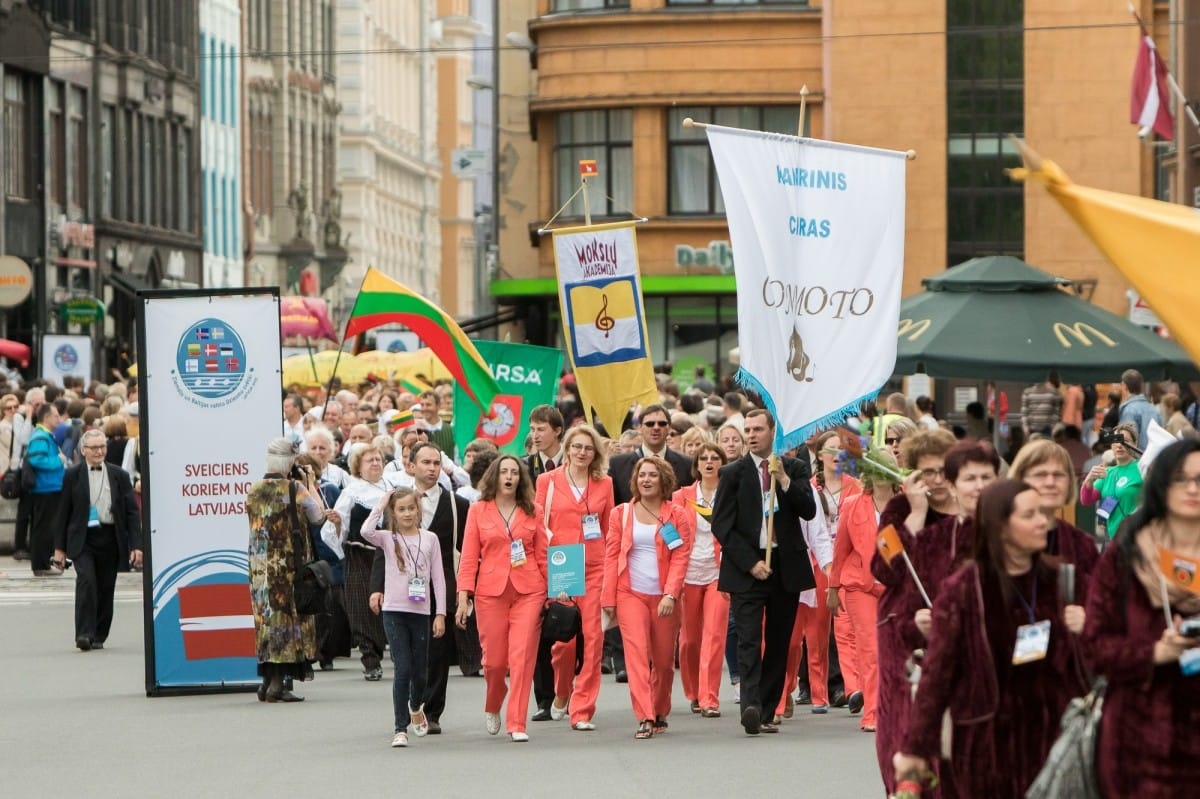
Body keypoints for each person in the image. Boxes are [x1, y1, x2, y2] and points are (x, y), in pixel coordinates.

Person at [893, 480, 1088, 797]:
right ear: (1000, 526)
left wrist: (1086, 628)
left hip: (1054, 743)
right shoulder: (966, 589)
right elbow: (937, 674)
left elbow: (1091, 657)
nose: (1043, 520)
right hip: (985, 749)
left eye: (1041, 512)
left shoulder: (1063, 580)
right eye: (1029, 515)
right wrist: (915, 748)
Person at [1082, 438, 1200, 796]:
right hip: (1138, 740)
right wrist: (1153, 653)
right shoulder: (1127, 556)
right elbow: (1094, 646)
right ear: (1161, 482)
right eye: (1182, 478)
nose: (1193, 488)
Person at [711, 409, 817, 735]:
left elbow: (809, 511)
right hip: (748, 566)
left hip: (786, 564)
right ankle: (751, 706)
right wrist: (750, 562)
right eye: (748, 429)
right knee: (748, 638)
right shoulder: (733, 473)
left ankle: (769, 709)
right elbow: (722, 525)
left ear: (773, 432)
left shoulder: (795, 467)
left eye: (758, 429)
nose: (752, 435)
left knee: (778, 640)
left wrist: (784, 479)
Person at [870, 427, 956, 795]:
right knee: (902, 724)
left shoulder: (971, 509)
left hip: (954, 628)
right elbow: (883, 567)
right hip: (902, 631)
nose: (936, 481)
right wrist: (916, 516)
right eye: (927, 473)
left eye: (943, 471)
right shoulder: (898, 510)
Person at [456, 455, 547, 742]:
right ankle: (494, 701)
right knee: (494, 663)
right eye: (504, 472)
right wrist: (462, 597)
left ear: (521, 479)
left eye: (514, 472)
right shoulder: (478, 510)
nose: (509, 477)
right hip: (490, 592)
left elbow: (543, 554)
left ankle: (517, 722)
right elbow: (469, 557)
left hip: (529, 589)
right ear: (494, 477)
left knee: (521, 658)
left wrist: (554, 592)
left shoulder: (534, 509)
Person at [602, 455, 693, 739]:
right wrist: (608, 599)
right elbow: (611, 556)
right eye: (642, 475)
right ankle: (643, 715)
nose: (646, 480)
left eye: (652, 475)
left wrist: (670, 593)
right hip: (630, 593)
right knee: (637, 654)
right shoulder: (621, 514)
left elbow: (681, 555)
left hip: (665, 598)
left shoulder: (676, 514)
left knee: (664, 662)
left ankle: (659, 709)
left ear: (663, 479)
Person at [534, 425, 614, 730]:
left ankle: (582, 710)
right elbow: (540, 528)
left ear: (596, 453)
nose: (582, 453)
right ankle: (562, 691)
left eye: (588, 448)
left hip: (595, 565)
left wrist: (610, 571)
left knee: (594, 639)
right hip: (563, 564)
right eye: (577, 447)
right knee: (563, 642)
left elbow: (608, 529)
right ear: (567, 448)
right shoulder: (547, 481)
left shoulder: (604, 483)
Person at [245, 438, 331, 702]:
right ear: (290, 462)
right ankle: (278, 685)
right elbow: (318, 516)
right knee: (287, 624)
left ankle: (267, 681)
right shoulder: (294, 489)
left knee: (266, 623)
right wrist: (309, 484)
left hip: (260, 569)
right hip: (288, 567)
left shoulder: (254, 489)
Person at [360, 487, 446, 747]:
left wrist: (440, 613)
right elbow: (365, 531)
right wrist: (382, 502)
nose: (407, 513)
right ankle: (400, 728)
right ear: (394, 513)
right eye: (401, 509)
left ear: (418, 510)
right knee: (403, 668)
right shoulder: (388, 538)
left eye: (411, 508)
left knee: (421, 671)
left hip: (420, 612)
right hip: (394, 611)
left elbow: (438, 579)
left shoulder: (430, 539)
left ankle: (416, 705)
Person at [828, 449, 903, 733]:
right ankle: (872, 711)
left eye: (887, 469)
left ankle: (893, 706)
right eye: (876, 469)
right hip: (860, 584)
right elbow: (842, 548)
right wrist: (833, 587)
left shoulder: (906, 504)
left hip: (897, 586)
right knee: (869, 648)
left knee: (894, 648)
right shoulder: (853, 504)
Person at [52, 429, 142, 651]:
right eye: (94, 447)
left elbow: (132, 513)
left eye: (102, 446)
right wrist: (59, 548)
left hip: (110, 536)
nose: (99, 451)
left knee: (105, 586)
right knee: (87, 581)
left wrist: (136, 546)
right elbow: (62, 512)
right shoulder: (72, 475)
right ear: (83, 450)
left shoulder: (119, 475)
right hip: (83, 538)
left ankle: (99, 633)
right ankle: (83, 633)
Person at [321, 443, 393, 681]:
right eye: (369, 460)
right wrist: (337, 523)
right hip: (360, 555)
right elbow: (336, 530)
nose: (375, 463)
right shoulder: (352, 492)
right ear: (358, 467)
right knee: (362, 607)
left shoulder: (394, 489)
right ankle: (370, 660)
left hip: (389, 555)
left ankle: (394, 651)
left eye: (378, 459)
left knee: (392, 605)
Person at [674, 441, 728, 718]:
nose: (709, 462)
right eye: (704, 458)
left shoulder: (729, 493)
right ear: (696, 465)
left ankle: (710, 698)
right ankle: (693, 691)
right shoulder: (681, 496)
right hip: (688, 572)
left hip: (719, 573)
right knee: (689, 640)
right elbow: (667, 530)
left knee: (714, 635)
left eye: (714, 458)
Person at [1008, 439, 1100, 591]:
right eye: (1040, 474)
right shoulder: (999, 540)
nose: (1050, 482)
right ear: (1019, 479)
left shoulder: (1082, 545)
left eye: (1058, 475)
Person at [525, 403, 564, 722]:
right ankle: (544, 697)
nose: (535, 435)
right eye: (533, 429)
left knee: (566, 622)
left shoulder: (578, 462)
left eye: (541, 429)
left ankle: (568, 689)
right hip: (534, 555)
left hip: (569, 554)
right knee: (538, 624)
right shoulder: (524, 467)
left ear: (557, 431)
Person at [1080, 421, 1142, 540]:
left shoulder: (1142, 468)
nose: (1119, 445)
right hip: (1113, 539)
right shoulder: (1107, 472)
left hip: (1137, 538)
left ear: (1135, 444)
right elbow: (1086, 500)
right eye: (1116, 441)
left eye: (1125, 441)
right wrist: (1089, 480)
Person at [26, 402, 66, 576]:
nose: (59, 418)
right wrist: (59, 461)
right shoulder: (40, 436)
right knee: (43, 528)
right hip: (45, 488)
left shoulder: (44, 435)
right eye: (56, 415)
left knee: (47, 527)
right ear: (47, 417)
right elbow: (36, 460)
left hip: (50, 487)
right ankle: (41, 565)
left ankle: (44, 562)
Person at [1117, 369, 1161, 450]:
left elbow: (1127, 441)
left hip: (1138, 459)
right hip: (1154, 456)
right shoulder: (1153, 408)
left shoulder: (1129, 410)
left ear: (1124, 386)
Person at [1021, 370, 1064, 437]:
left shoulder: (1054, 392)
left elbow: (1057, 411)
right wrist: (1025, 426)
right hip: (1031, 428)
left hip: (1047, 429)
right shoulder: (1027, 392)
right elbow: (1024, 412)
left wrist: (1052, 426)